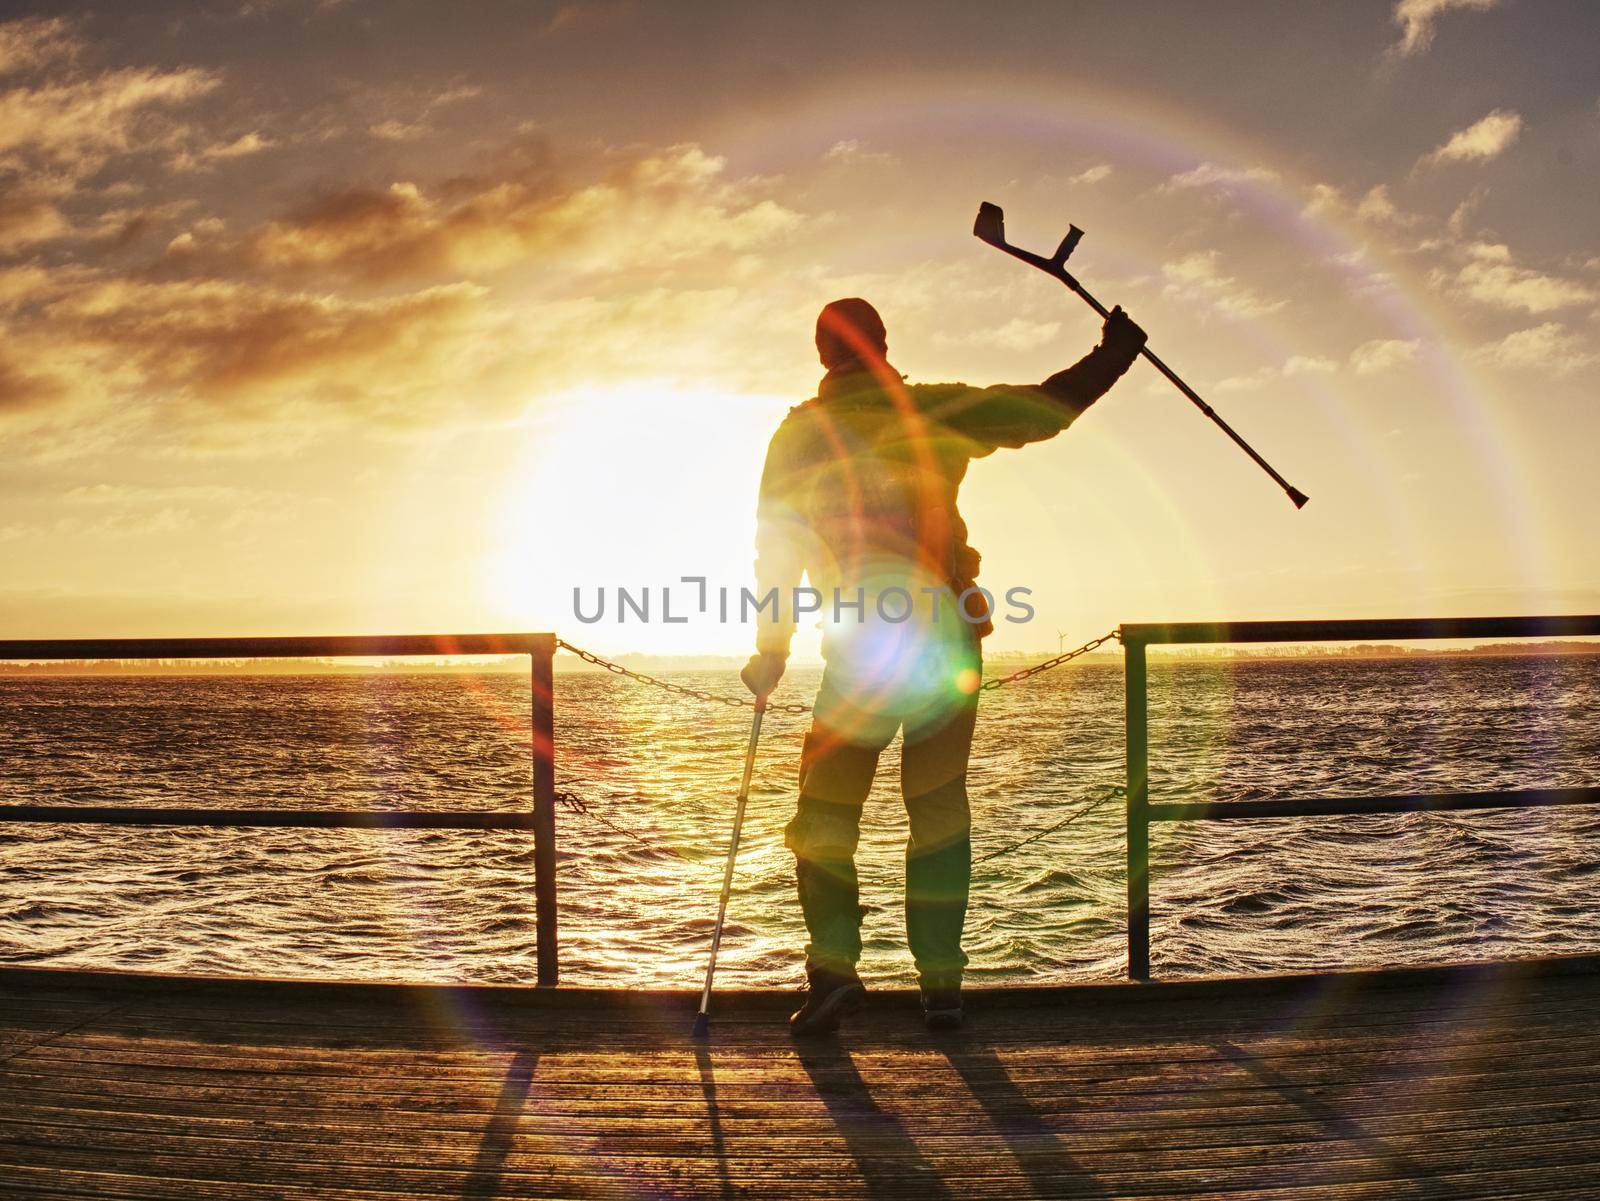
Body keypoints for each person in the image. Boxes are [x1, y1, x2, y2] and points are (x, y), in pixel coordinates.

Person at [742, 296, 1146, 1034]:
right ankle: (942, 986)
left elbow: (779, 552)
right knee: (936, 814)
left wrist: (772, 646)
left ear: (822, 353)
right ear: (885, 345)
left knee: (826, 816)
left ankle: (834, 968)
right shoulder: (937, 411)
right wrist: (1114, 353)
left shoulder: (799, 436)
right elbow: (1044, 410)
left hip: (861, 648)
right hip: (945, 643)